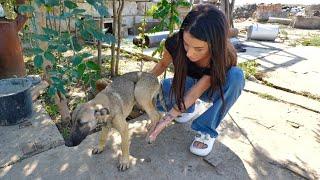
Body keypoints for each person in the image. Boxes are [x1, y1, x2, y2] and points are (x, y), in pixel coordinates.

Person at [148, 4, 245, 157]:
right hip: (187, 84)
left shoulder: (222, 55)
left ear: (214, 45)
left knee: (237, 77)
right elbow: (162, 64)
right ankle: (188, 109)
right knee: (159, 92)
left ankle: (206, 130)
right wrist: (141, 86)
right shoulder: (174, 43)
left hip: (212, 89)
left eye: (199, 49)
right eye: (187, 44)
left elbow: (197, 91)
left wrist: (168, 118)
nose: (189, 54)